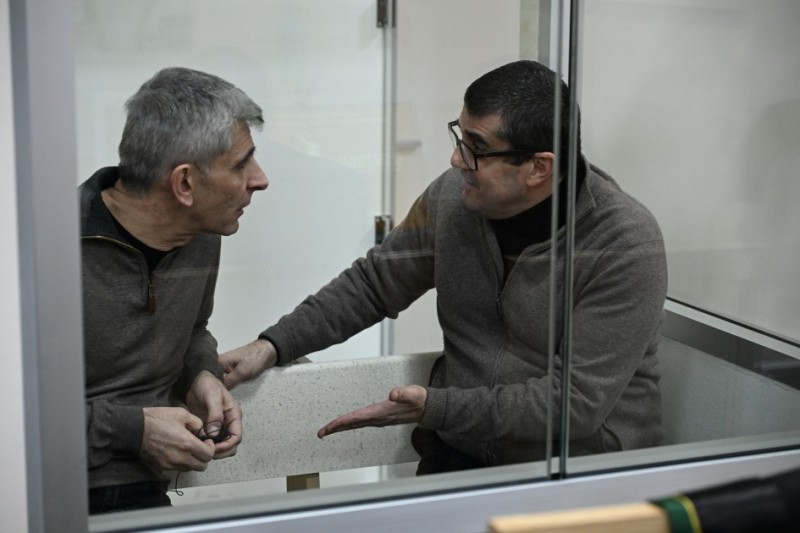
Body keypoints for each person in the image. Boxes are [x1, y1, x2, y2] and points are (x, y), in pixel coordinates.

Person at [220, 60, 667, 473]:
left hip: (578, 471)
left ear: (538, 167)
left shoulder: (624, 244)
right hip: (463, 452)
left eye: (477, 148)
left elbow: (575, 405)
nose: (456, 160)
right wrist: (273, 345)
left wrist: (438, 408)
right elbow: (375, 284)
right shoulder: (453, 197)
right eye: (460, 137)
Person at [81, 67, 269, 513]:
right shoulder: (37, 250)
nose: (260, 179)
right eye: (241, 164)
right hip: (45, 489)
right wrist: (136, 430)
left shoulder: (200, 230)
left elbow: (193, 330)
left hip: (143, 489)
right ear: (185, 183)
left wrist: (200, 374)